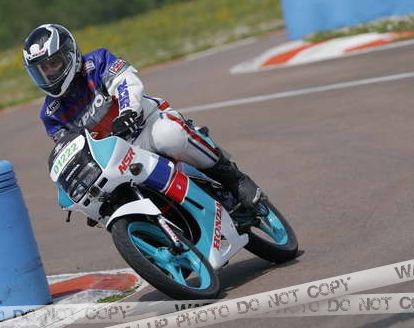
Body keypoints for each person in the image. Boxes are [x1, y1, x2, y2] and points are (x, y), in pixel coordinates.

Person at [22, 24, 261, 208]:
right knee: (108, 202)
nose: (49, 73)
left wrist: (128, 112)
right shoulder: (51, 114)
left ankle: (233, 178)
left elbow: (127, 83)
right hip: (116, 158)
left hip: (145, 126)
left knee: (170, 136)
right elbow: (72, 149)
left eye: (53, 63)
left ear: (70, 54)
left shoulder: (97, 62)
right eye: (42, 70)